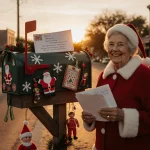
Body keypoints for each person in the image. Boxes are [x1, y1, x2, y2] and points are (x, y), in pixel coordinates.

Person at [81, 23, 150, 150]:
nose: (114, 49)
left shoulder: (145, 75)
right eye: (111, 44)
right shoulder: (103, 75)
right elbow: (99, 110)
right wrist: (90, 117)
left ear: (131, 48)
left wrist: (124, 116)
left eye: (120, 44)